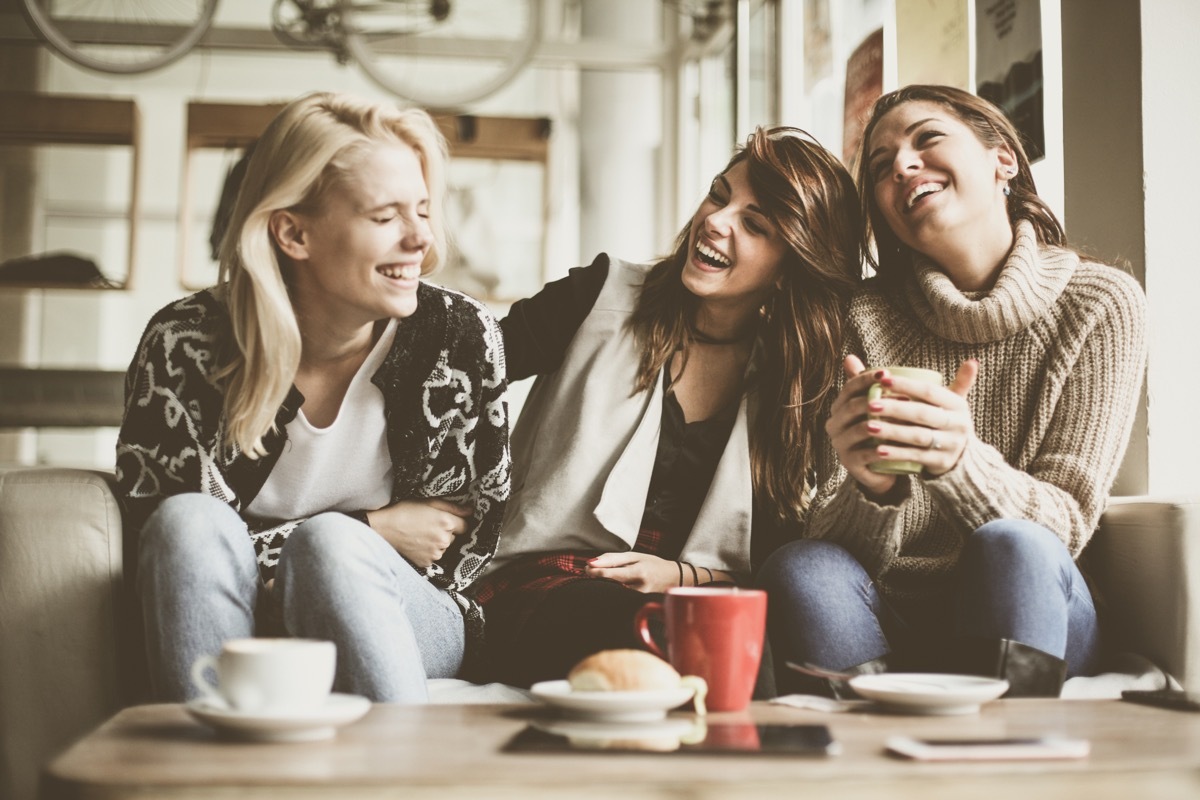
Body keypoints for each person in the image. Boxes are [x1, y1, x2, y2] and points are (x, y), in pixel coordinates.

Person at [115, 92, 510, 703]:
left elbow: (462, 543)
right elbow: (164, 550)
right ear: (294, 233)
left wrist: (333, 547)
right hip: (232, 616)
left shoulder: (458, 336)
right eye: (386, 217)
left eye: (423, 211)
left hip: (407, 613)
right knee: (190, 522)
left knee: (333, 551)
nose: (421, 241)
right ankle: (209, 757)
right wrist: (369, 527)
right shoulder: (184, 343)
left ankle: (398, 758)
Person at [759, 85, 1147, 696]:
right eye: (881, 167)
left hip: (1033, 610)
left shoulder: (1100, 304)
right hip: (888, 622)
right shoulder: (860, 319)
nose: (902, 165)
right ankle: (868, 752)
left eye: (927, 138)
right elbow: (830, 541)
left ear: (1003, 159)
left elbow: (1067, 524)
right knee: (802, 567)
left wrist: (960, 462)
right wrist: (870, 487)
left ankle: (1006, 751)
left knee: (1013, 547)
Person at [469, 127, 864, 687]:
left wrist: (682, 576)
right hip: (544, 583)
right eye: (719, 195)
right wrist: (444, 502)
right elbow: (456, 378)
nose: (716, 220)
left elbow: (777, 553)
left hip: (693, 600)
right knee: (680, 642)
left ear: (789, 269)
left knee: (746, 654)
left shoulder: (792, 381)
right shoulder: (598, 295)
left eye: (754, 225)